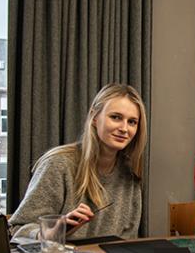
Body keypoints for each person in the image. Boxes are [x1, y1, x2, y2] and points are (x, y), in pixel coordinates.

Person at [10, 83, 147, 240]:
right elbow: (17, 231)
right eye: (116, 117)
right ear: (94, 117)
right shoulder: (58, 164)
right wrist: (54, 231)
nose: (124, 128)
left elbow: (128, 238)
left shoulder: (129, 173)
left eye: (132, 122)